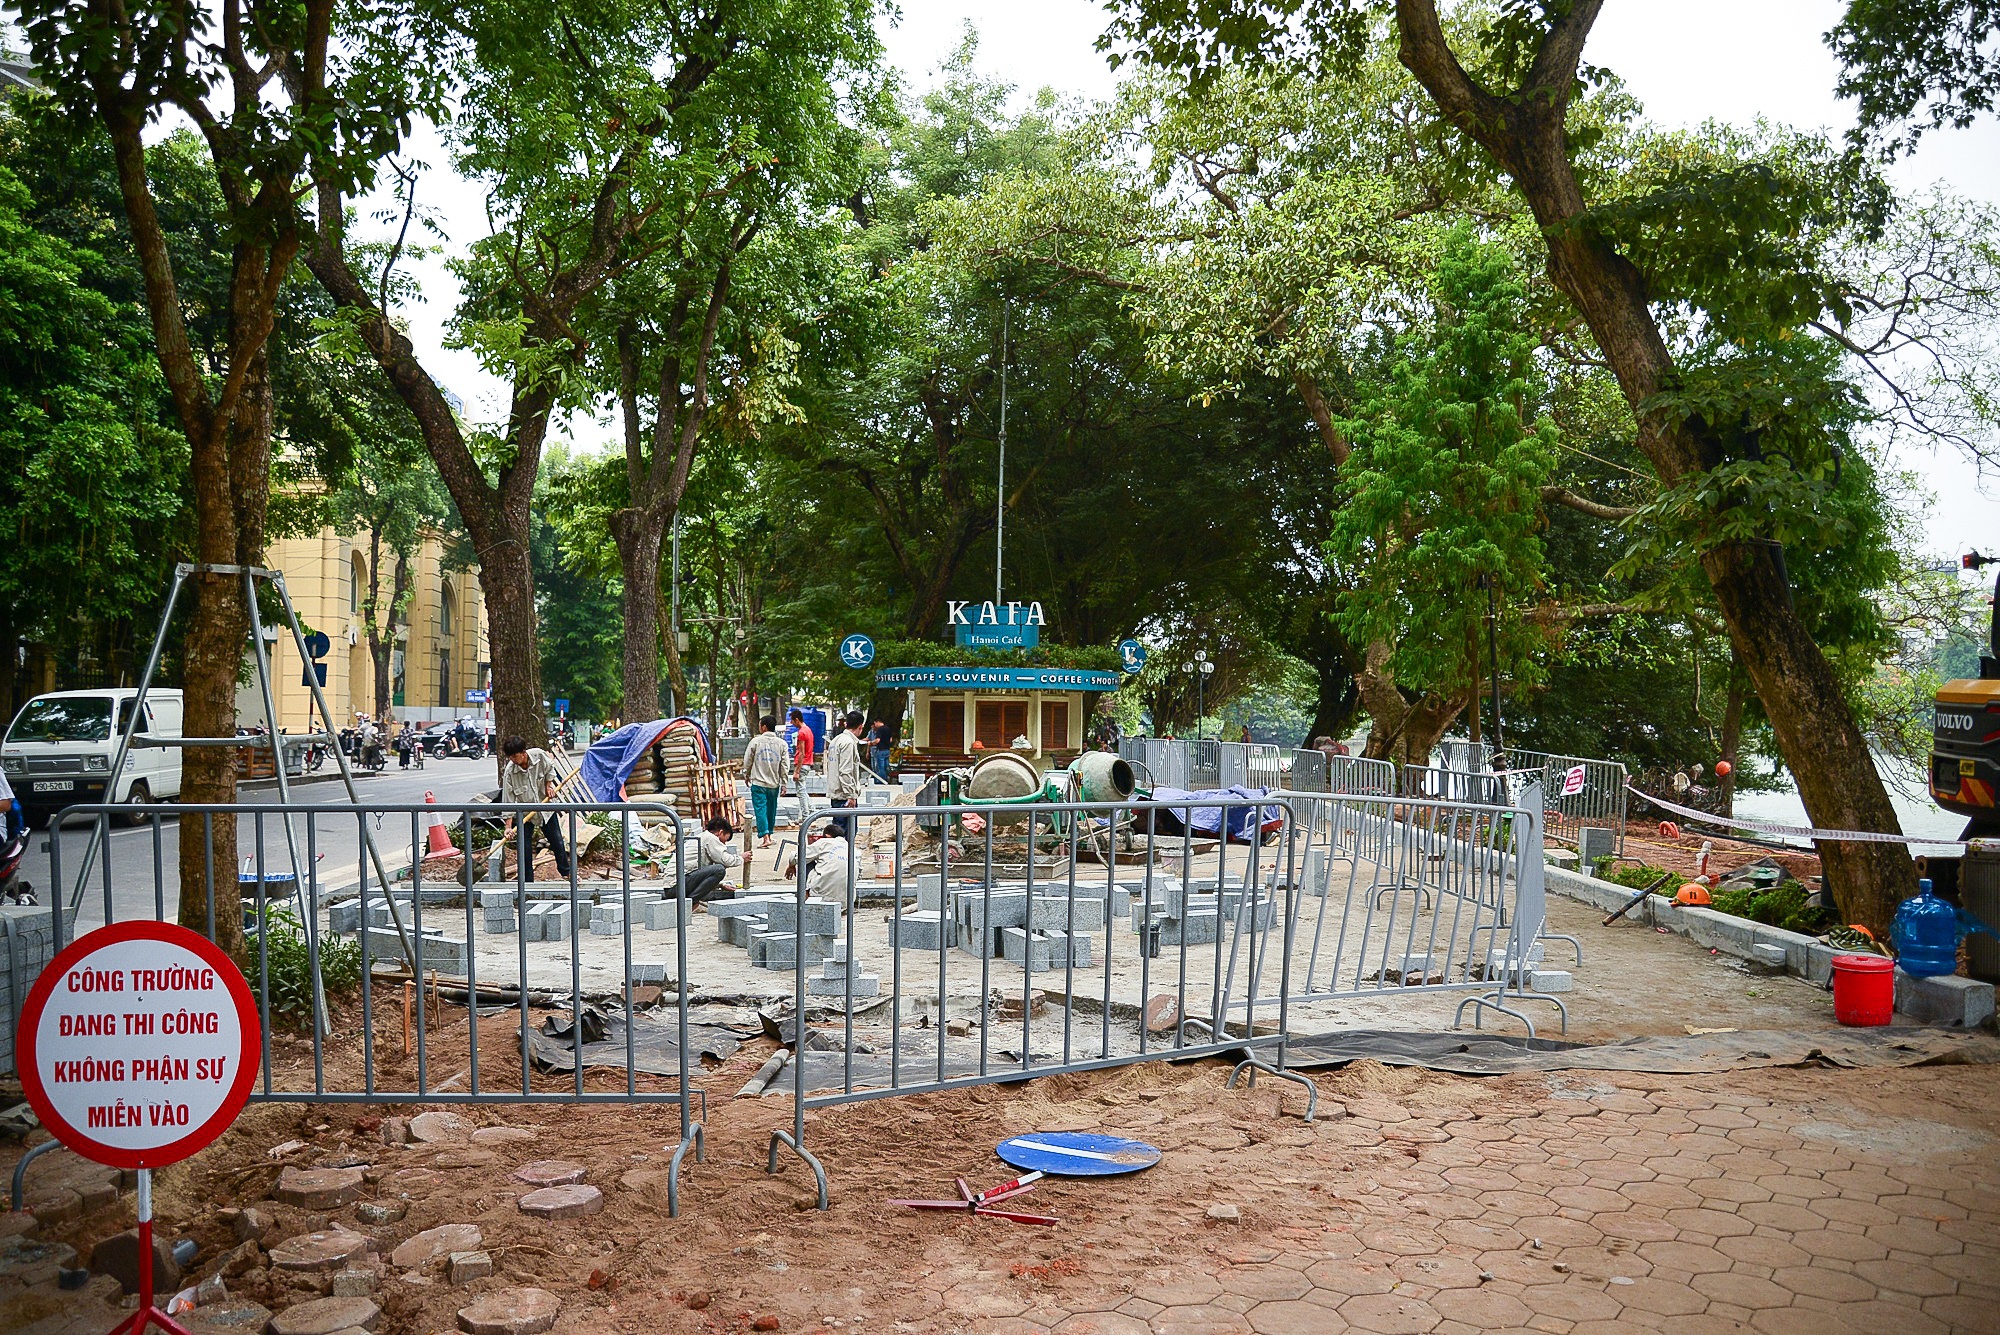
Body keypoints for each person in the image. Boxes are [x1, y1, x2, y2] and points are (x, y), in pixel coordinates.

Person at [499, 734, 572, 877]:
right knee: (524, 849)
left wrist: (548, 786)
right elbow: (508, 800)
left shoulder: (539, 755)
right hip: (525, 814)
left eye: (515, 756)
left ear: (523, 752)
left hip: (545, 809)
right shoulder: (510, 772)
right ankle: (527, 883)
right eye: (510, 757)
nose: (513, 760)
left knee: (557, 842)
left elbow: (550, 769)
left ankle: (566, 873)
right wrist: (508, 826)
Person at [743, 715, 788, 848]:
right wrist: (784, 782)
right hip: (774, 783)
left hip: (758, 783)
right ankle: (769, 835)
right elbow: (785, 765)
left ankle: (765, 837)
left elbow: (747, 760)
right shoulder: (782, 744)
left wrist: (746, 774)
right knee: (771, 810)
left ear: (764, 727)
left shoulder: (755, 742)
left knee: (760, 809)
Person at [825, 710, 865, 838]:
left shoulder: (836, 740)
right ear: (860, 726)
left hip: (836, 793)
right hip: (844, 796)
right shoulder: (848, 742)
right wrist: (851, 795)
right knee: (846, 835)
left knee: (838, 832)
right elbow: (845, 771)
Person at [686, 815, 744, 904]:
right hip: (677, 885)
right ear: (720, 832)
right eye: (724, 840)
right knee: (719, 869)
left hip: (676, 884)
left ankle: (691, 901)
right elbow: (724, 860)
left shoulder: (701, 837)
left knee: (714, 873)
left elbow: (701, 874)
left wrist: (720, 885)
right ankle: (692, 903)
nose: (724, 844)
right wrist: (741, 858)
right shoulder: (709, 837)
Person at [788, 707, 816, 788]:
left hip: (802, 764)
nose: (792, 723)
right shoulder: (808, 730)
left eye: (792, 721)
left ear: (797, 720)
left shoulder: (801, 732)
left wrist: (797, 771)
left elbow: (801, 753)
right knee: (802, 788)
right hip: (808, 763)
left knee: (801, 790)